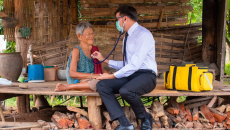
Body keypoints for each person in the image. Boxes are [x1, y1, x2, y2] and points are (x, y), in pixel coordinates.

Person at [92, 5, 157, 130]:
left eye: (117, 19)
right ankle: (125, 124)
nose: (117, 23)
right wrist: (104, 60)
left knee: (126, 90)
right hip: (131, 75)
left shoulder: (143, 35)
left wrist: (111, 76)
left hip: (147, 76)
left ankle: (145, 117)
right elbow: (128, 64)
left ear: (125, 18)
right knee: (102, 85)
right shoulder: (127, 37)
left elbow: (135, 65)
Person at [55, 21, 109, 92]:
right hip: (78, 81)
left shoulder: (94, 50)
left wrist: (111, 76)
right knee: (98, 83)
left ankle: (87, 87)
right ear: (79, 36)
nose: (91, 36)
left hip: (91, 80)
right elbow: (72, 73)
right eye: (88, 34)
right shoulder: (76, 50)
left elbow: (100, 68)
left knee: (108, 82)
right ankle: (68, 86)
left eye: (92, 33)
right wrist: (93, 76)